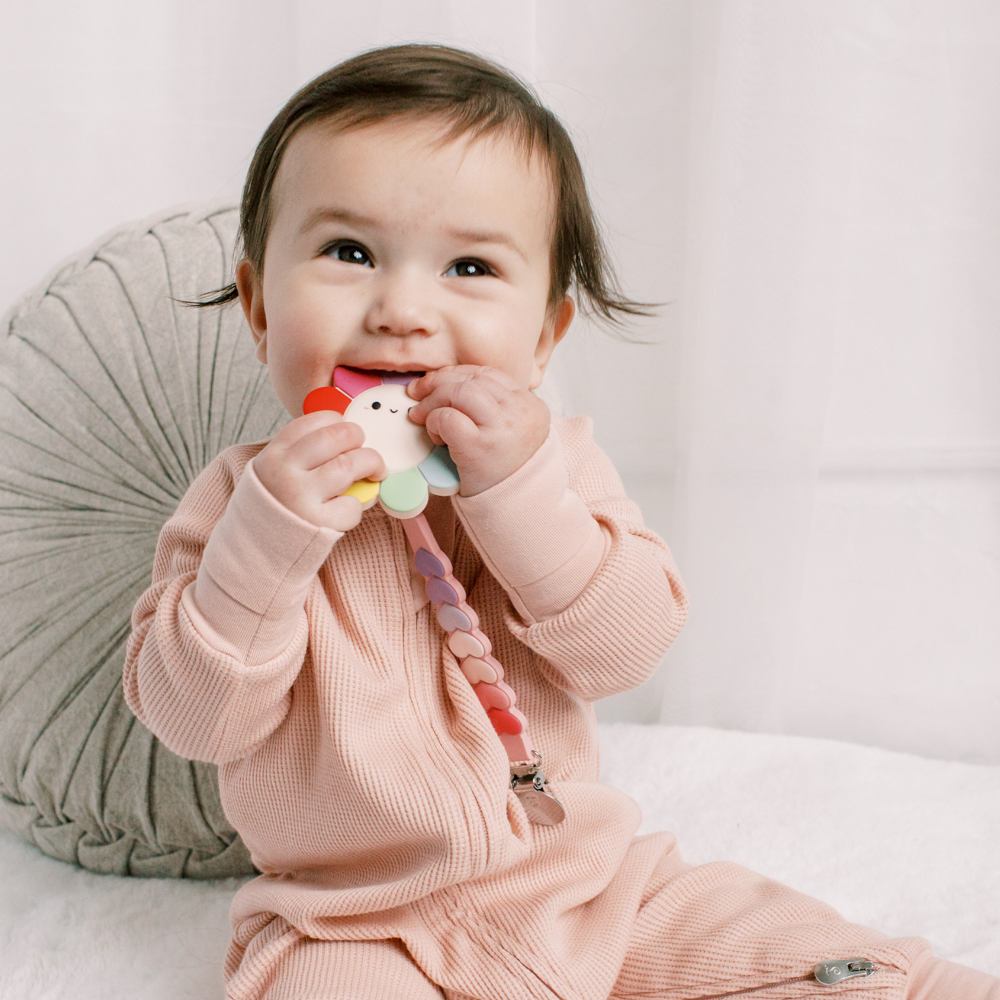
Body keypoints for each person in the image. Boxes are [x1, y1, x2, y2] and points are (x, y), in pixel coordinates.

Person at [123, 44, 999, 1000]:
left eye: (468, 266)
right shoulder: (239, 501)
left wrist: (523, 497)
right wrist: (263, 550)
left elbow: (627, 646)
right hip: (355, 923)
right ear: (257, 306)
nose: (405, 310)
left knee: (796, 952)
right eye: (349, 253)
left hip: (589, 888)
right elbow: (195, 716)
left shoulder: (555, 465)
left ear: (542, 340)